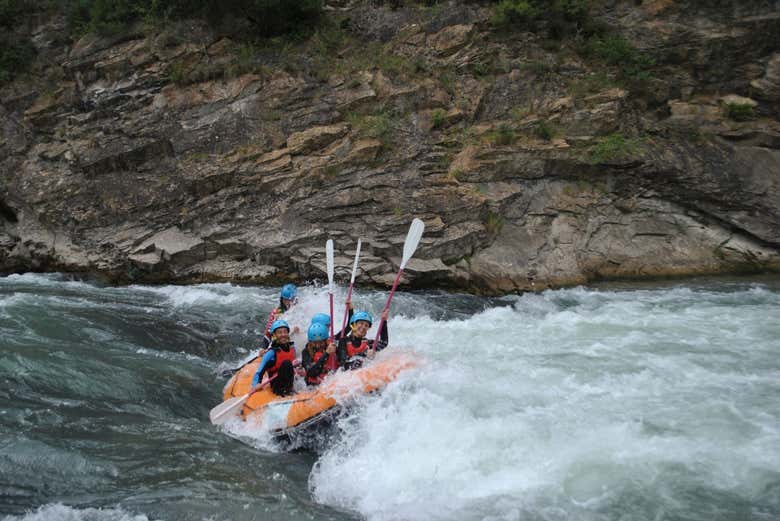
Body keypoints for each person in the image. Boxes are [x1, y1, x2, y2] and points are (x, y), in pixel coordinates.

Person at [251, 319, 296, 396]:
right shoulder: (271, 353)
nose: (283, 334)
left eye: (285, 332)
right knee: (287, 363)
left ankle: (291, 389)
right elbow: (260, 371)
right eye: (279, 332)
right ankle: (286, 391)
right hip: (277, 386)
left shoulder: (292, 348)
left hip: (290, 381)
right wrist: (256, 384)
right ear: (274, 335)